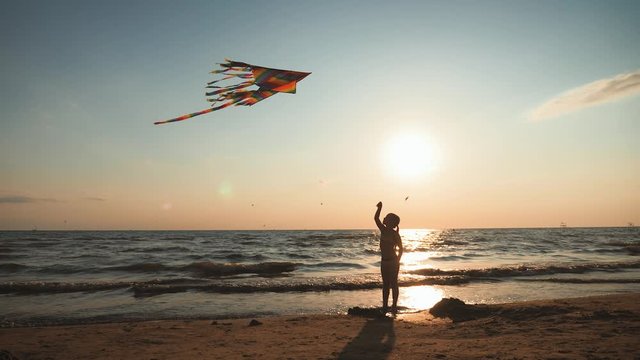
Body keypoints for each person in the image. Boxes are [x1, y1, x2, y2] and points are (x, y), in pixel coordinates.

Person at [374, 201, 403, 315]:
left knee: (394, 283)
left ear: (391, 222)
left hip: (392, 262)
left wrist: (398, 260)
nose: (384, 218)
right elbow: (376, 218)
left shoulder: (395, 234)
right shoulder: (383, 229)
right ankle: (385, 306)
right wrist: (379, 208)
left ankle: (394, 305)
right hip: (384, 262)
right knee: (385, 284)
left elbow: (401, 249)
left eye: (386, 218)